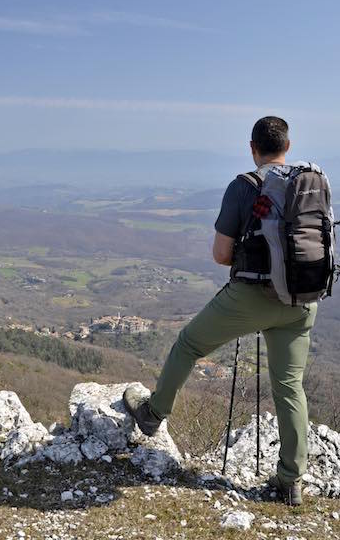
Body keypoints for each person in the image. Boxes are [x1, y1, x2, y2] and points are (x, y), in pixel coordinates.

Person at [123, 116, 317, 506]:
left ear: (252, 148)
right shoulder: (308, 183)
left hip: (252, 297)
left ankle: (152, 414)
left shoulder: (243, 186)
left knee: (188, 345)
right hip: (302, 301)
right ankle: (291, 481)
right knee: (289, 387)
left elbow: (221, 255)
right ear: (288, 147)